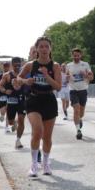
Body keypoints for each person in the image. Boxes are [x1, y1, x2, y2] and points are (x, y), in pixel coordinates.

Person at [18, 37, 62, 176]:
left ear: (50, 49)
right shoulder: (30, 65)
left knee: (47, 137)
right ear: (36, 49)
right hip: (33, 99)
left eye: (46, 46)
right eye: (41, 47)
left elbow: (58, 87)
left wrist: (46, 76)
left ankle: (46, 162)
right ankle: (33, 165)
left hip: (49, 99)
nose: (44, 49)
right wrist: (26, 80)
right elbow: (17, 80)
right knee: (37, 131)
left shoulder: (55, 66)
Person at [66, 48, 94, 140]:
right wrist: (67, 77)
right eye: (74, 55)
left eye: (78, 55)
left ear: (80, 55)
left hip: (83, 90)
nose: (76, 57)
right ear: (72, 55)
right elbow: (66, 78)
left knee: (81, 112)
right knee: (76, 109)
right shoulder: (69, 65)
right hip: (73, 90)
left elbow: (91, 77)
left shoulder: (85, 65)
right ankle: (78, 130)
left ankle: (79, 119)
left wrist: (85, 75)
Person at [0, 57, 26, 147]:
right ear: (12, 64)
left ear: (21, 64)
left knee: (21, 120)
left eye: (19, 64)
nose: (17, 66)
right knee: (10, 122)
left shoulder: (24, 74)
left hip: (22, 99)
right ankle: (13, 122)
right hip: (11, 100)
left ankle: (18, 140)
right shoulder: (7, 75)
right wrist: (5, 91)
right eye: (15, 65)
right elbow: (0, 86)